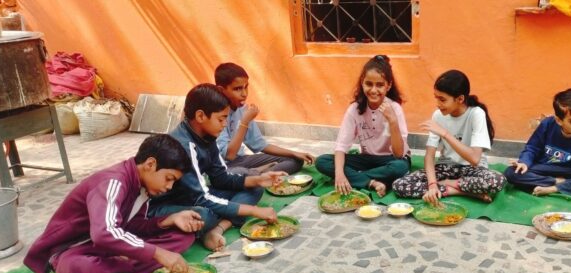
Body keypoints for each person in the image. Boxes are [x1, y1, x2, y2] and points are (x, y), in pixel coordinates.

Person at [24, 134, 204, 273]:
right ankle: (126, 270)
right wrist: (158, 253)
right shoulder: (113, 182)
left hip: (111, 246)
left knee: (184, 236)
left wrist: (169, 220)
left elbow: (133, 226)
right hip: (74, 249)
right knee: (81, 269)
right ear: (150, 164)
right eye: (169, 178)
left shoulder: (143, 186)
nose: (169, 187)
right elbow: (104, 233)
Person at [149, 84, 283, 252]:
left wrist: (258, 180)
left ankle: (218, 228)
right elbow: (201, 199)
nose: (225, 124)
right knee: (204, 215)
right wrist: (254, 211)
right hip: (169, 206)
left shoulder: (207, 136)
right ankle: (215, 224)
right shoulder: (183, 146)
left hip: (194, 197)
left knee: (254, 187)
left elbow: (221, 178)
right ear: (200, 116)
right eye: (221, 119)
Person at [392, 70, 506, 204]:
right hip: (446, 167)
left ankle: (448, 186)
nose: (438, 104)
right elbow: (429, 156)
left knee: (496, 180)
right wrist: (432, 185)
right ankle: (462, 191)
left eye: (442, 99)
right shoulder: (438, 115)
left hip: (473, 170)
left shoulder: (476, 114)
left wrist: (445, 134)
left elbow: (475, 159)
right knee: (399, 185)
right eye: (436, 98)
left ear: (460, 99)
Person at [315, 55, 410, 197]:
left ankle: (356, 177)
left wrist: (393, 121)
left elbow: (399, 154)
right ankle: (372, 181)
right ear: (362, 83)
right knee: (322, 161)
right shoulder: (354, 109)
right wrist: (339, 174)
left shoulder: (395, 108)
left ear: (388, 85)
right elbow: (341, 146)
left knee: (400, 167)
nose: (373, 90)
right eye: (369, 84)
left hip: (390, 159)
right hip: (366, 159)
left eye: (380, 85)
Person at [503, 88, 571, 196]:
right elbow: (532, 148)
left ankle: (553, 188)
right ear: (559, 120)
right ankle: (561, 183)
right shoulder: (547, 124)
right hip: (541, 168)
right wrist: (524, 162)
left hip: (566, 171)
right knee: (511, 172)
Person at [214, 62, 315, 175]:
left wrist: (294, 153)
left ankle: (259, 175)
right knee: (239, 172)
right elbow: (229, 155)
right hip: (223, 167)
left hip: (241, 160)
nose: (244, 94)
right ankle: (257, 175)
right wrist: (245, 122)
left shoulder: (243, 110)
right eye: (237, 89)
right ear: (221, 90)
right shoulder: (215, 113)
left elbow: (260, 144)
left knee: (295, 160)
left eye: (246, 87)